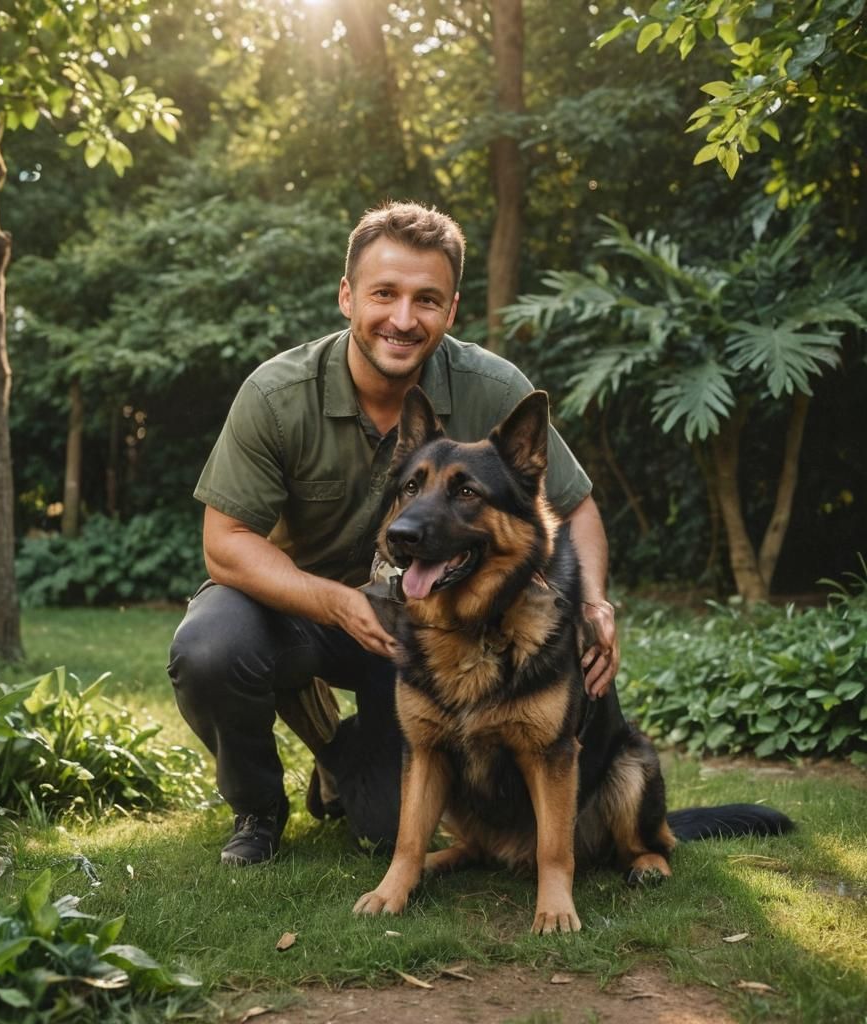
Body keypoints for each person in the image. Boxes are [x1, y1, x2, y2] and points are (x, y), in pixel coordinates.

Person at [168, 201, 619, 867]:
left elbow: (576, 509)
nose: (404, 319)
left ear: (452, 309)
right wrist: (334, 601)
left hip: (421, 631)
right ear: (347, 295)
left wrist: (594, 603)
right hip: (300, 614)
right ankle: (258, 808)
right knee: (211, 648)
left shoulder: (491, 387)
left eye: (426, 299)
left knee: (382, 826)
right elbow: (225, 539)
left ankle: (339, 756)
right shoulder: (276, 395)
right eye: (384, 294)